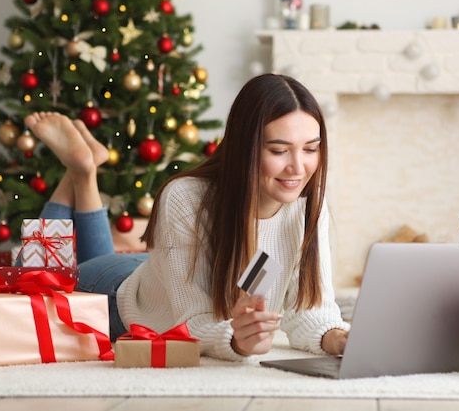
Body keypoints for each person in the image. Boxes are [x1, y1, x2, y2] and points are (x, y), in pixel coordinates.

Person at [25, 73, 350, 361]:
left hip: (161, 275)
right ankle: (82, 171)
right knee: (37, 280)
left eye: (311, 148)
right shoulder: (186, 197)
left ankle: (82, 169)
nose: (298, 168)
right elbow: (190, 322)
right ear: (245, 148)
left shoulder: (307, 205)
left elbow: (309, 309)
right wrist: (236, 340)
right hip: (120, 292)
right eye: (279, 151)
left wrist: (338, 338)